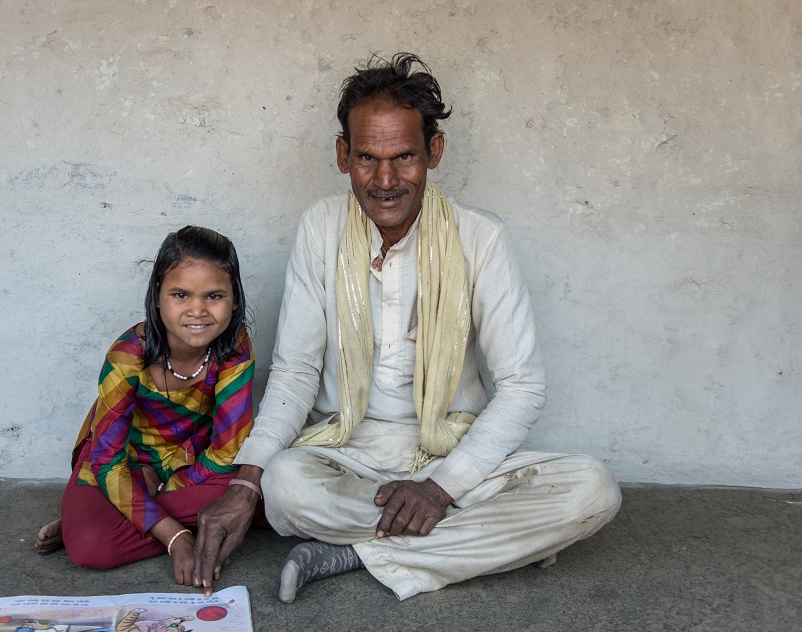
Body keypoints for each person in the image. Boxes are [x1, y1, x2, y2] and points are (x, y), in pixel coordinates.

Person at [192, 53, 622, 602]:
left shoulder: (481, 239)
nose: (386, 179)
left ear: (434, 153)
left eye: (405, 157)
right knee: (283, 488)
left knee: (592, 489)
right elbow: (297, 369)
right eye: (367, 158)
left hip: (449, 447)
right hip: (344, 450)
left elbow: (522, 386)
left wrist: (441, 488)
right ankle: (488, 543)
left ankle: (356, 553)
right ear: (343, 156)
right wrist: (245, 483)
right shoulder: (320, 229)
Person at [35, 225, 258, 587]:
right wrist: (175, 538)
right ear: (157, 295)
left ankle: (116, 515)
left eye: (214, 295)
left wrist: (165, 490)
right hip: (127, 463)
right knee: (91, 548)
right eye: (181, 294)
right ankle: (108, 517)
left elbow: (228, 448)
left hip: (198, 465)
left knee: (263, 494)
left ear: (234, 299)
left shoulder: (233, 347)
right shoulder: (126, 358)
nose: (197, 311)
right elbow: (107, 461)